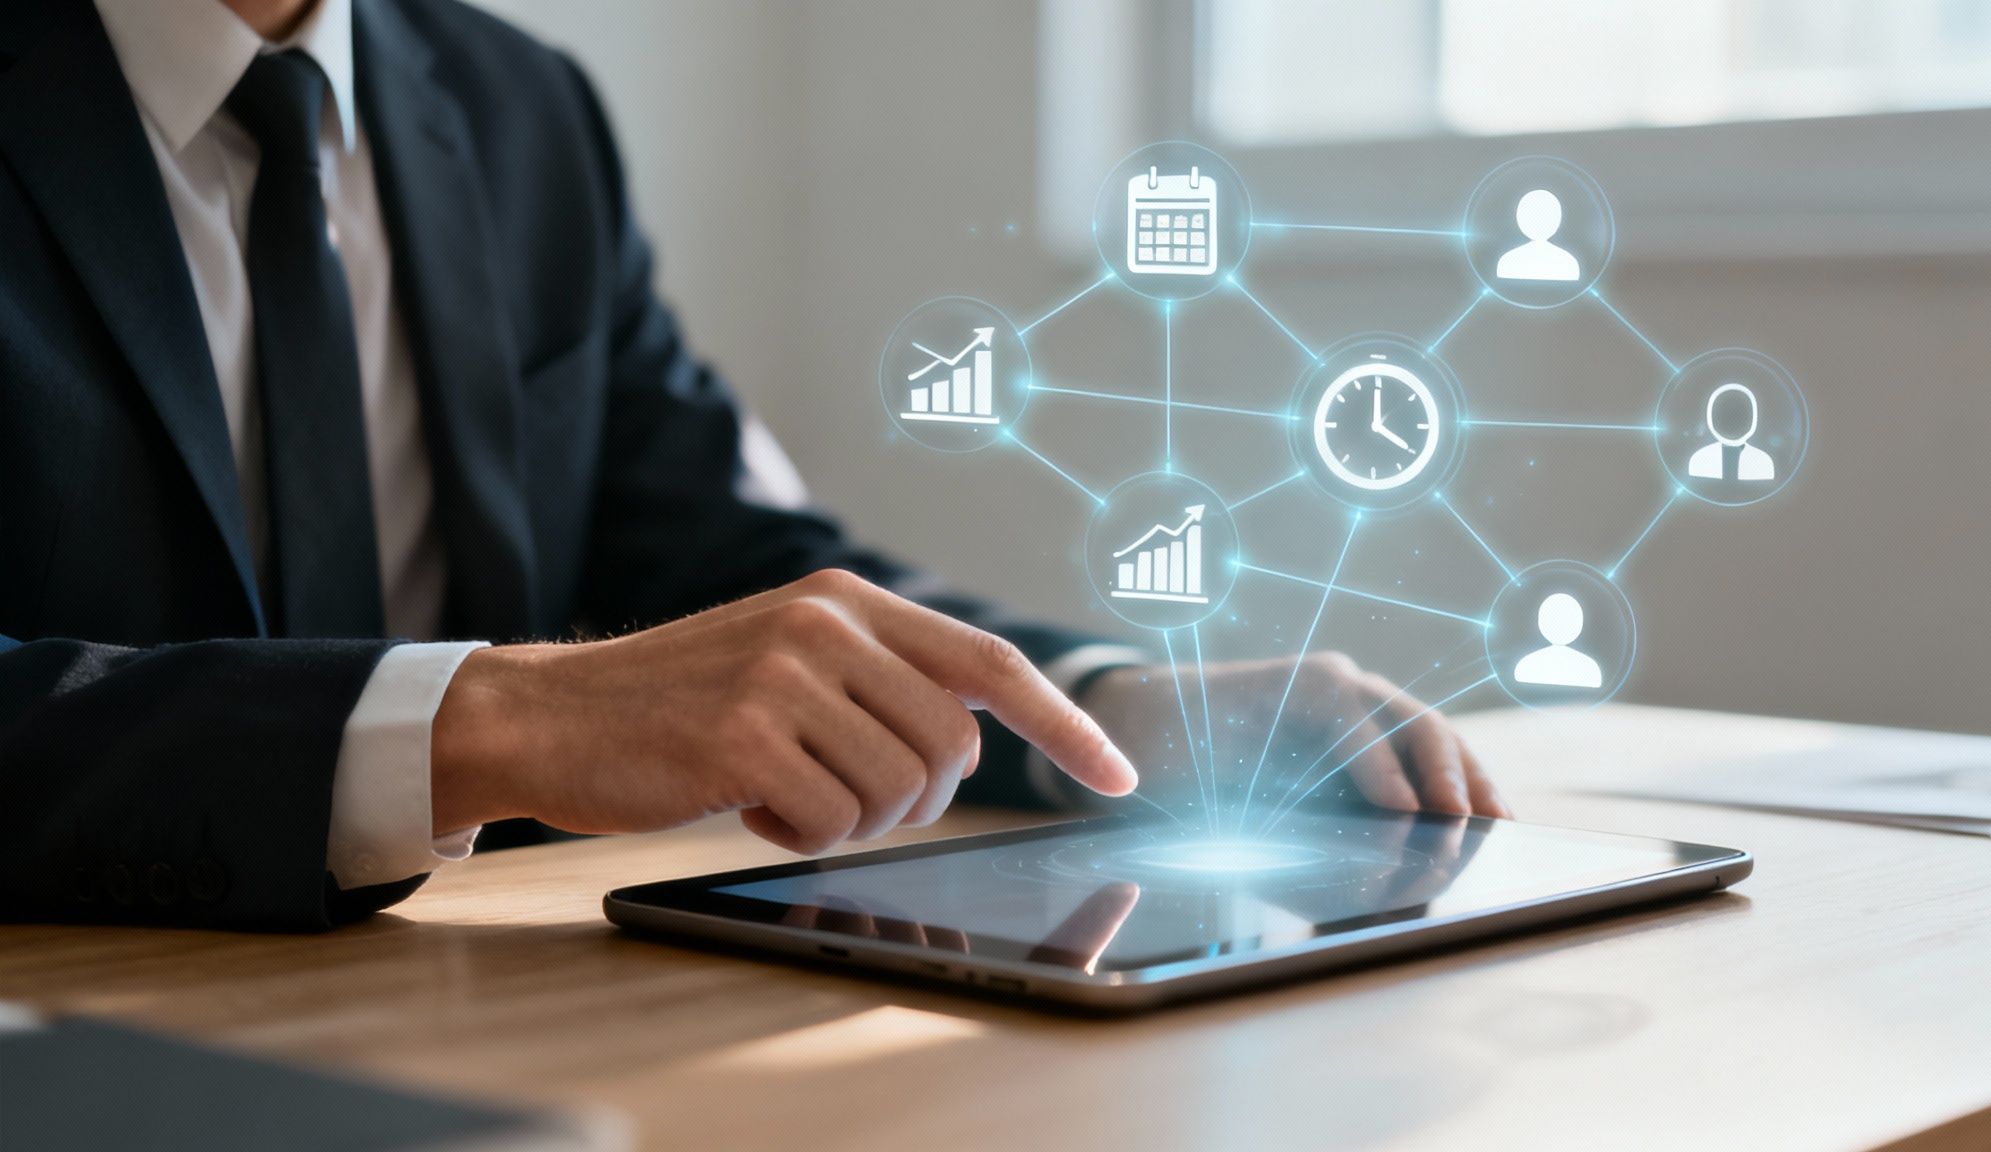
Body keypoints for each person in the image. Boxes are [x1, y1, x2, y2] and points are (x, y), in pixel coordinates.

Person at [0, 0, 1507, 932]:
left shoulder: (519, 109)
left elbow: (722, 548)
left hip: (493, 1018)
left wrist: (1097, 703)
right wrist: (488, 722)